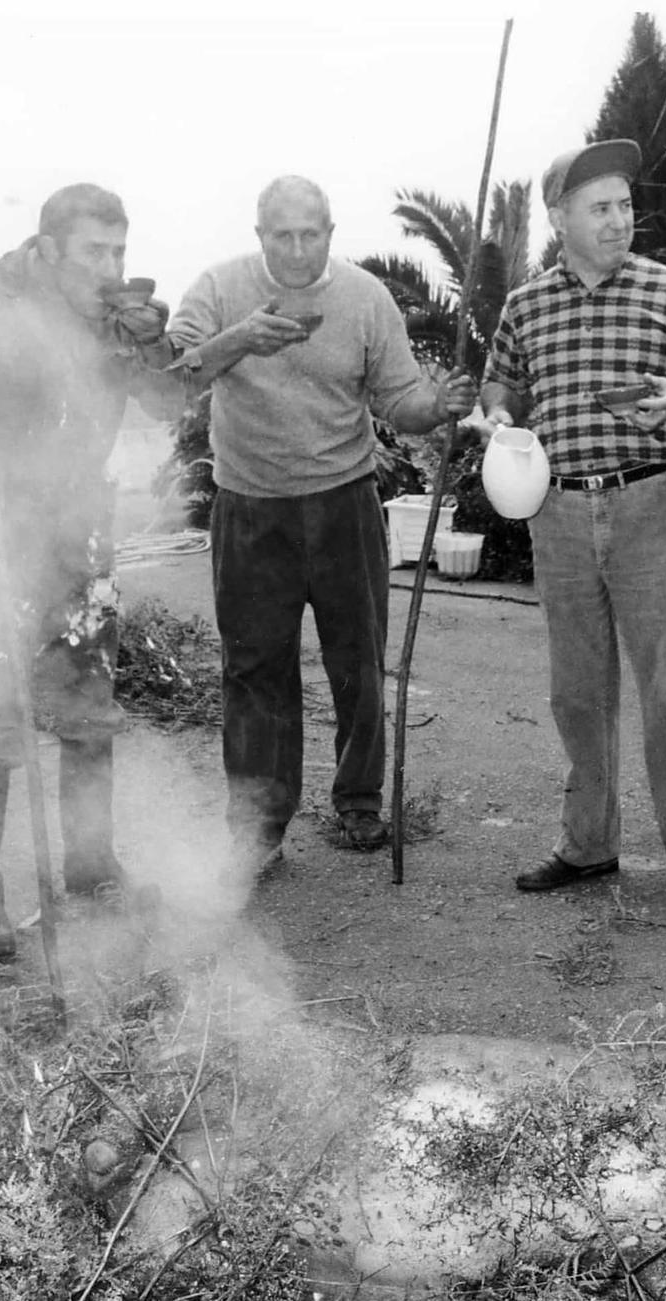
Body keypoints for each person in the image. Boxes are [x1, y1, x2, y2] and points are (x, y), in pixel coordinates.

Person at [0, 183, 181, 959]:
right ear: (50, 247)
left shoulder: (114, 315)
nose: (112, 265)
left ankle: (90, 871)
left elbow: (168, 400)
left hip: (78, 537)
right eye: (96, 251)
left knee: (89, 712)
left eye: (120, 249)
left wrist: (151, 344)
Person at [166, 176, 475, 875]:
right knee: (253, 670)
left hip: (344, 503)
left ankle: (360, 799)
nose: (299, 248)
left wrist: (441, 403)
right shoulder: (217, 289)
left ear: (331, 233)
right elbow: (173, 375)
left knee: (360, 657)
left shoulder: (366, 297)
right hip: (249, 508)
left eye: (312, 233)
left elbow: (403, 400)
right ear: (260, 236)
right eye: (283, 235)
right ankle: (257, 828)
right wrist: (238, 339)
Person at [479, 140, 666, 915]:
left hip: (647, 503)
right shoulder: (526, 304)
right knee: (578, 690)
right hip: (556, 511)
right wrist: (497, 412)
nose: (621, 220)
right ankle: (589, 845)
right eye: (602, 207)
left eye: (626, 205)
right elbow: (504, 380)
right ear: (560, 218)